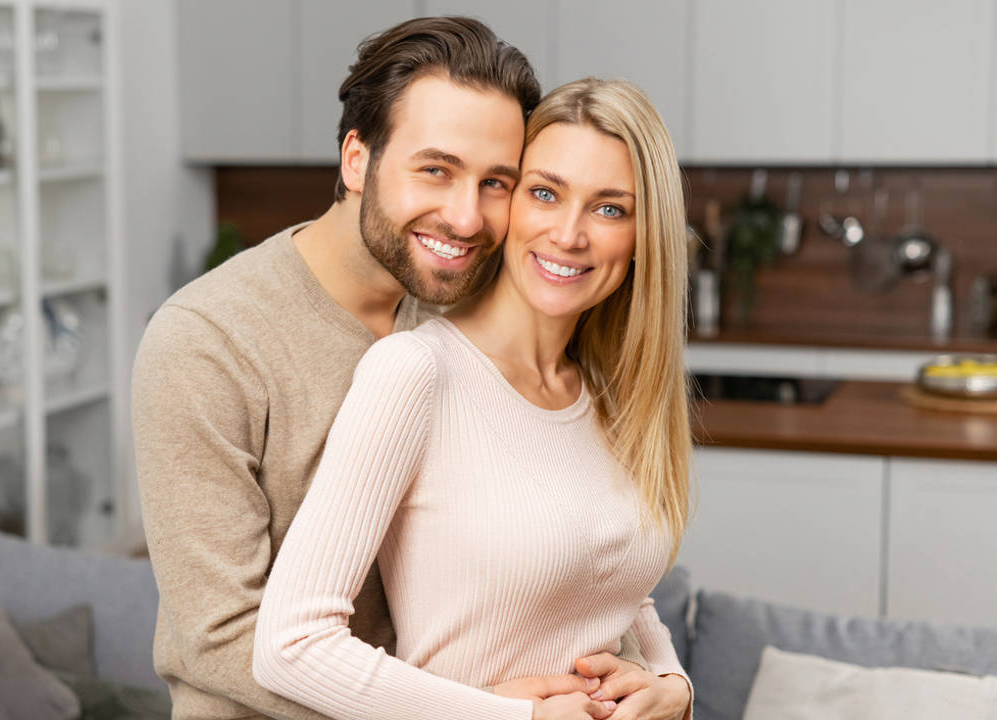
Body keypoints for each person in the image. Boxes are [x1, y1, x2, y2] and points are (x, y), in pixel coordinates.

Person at [133, 18, 651, 720]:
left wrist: (660, 679)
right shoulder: (207, 342)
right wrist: (471, 711)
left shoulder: (458, 316)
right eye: (435, 170)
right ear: (356, 158)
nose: (466, 218)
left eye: (495, 181)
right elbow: (219, 638)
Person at [253, 77, 694, 720]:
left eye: (609, 208)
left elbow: (611, 575)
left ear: (642, 234)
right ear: (509, 202)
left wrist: (672, 682)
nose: (569, 234)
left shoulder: (609, 396)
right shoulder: (417, 374)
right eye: (545, 193)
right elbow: (290, 645)